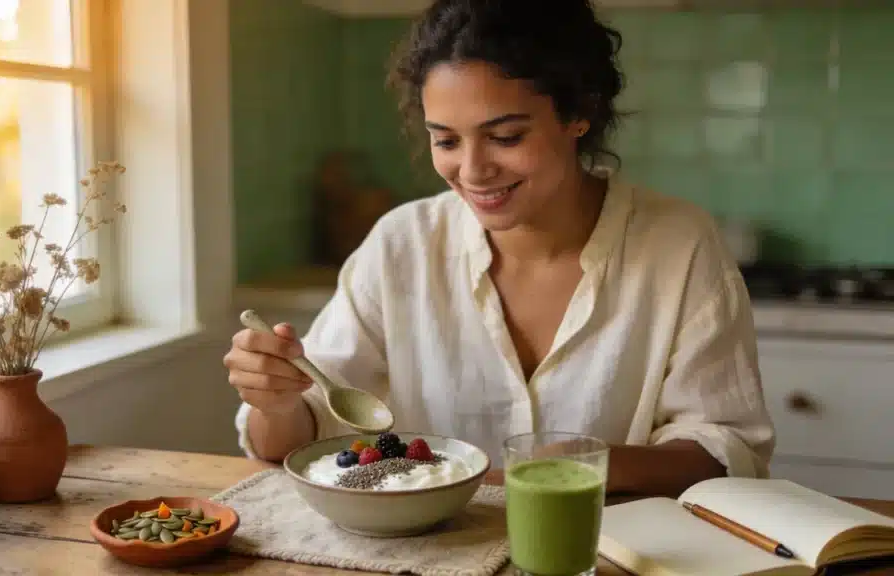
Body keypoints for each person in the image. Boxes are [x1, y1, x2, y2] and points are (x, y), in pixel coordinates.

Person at [224, 0, 775, 499]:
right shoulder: (401, 244)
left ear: (579, 113)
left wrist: (581, 463)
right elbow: (296, 439)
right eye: (446, 140)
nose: (472, 170)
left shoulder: (679, 245)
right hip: (426, 554)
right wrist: (276, 402)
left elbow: (725, 449)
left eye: (506, 137)